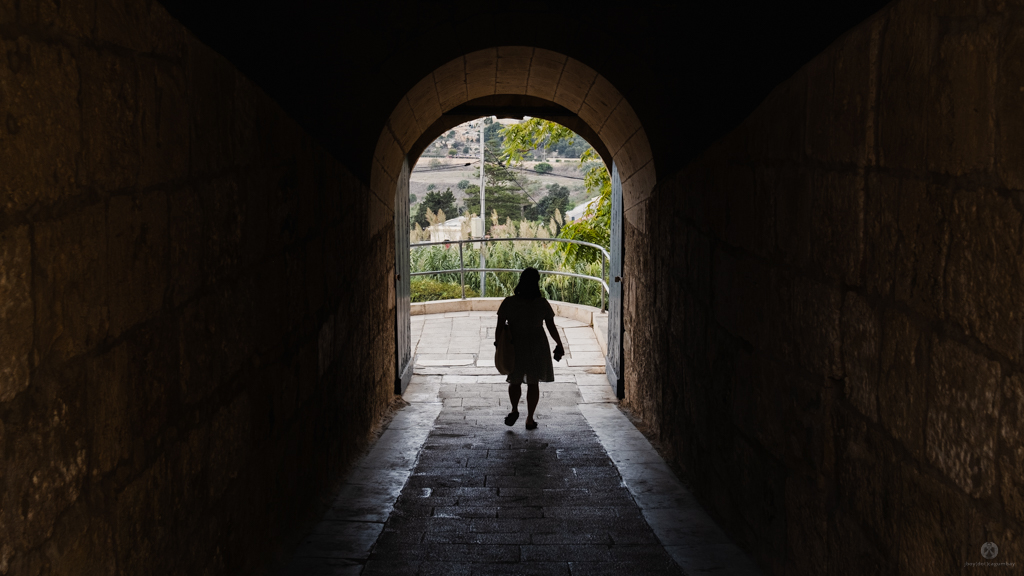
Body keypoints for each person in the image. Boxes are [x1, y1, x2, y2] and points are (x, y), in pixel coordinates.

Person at [494, 267, 564, 430]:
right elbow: (551, 326)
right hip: (537, 344)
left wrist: (498, 344)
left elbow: (499, 327)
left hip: (515, 345)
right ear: (536, 283)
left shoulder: (509, 302)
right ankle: (530, 419)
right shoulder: (541, 303)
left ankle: (514, 409)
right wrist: (559, 344)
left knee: (514, 380)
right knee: (533, 383)